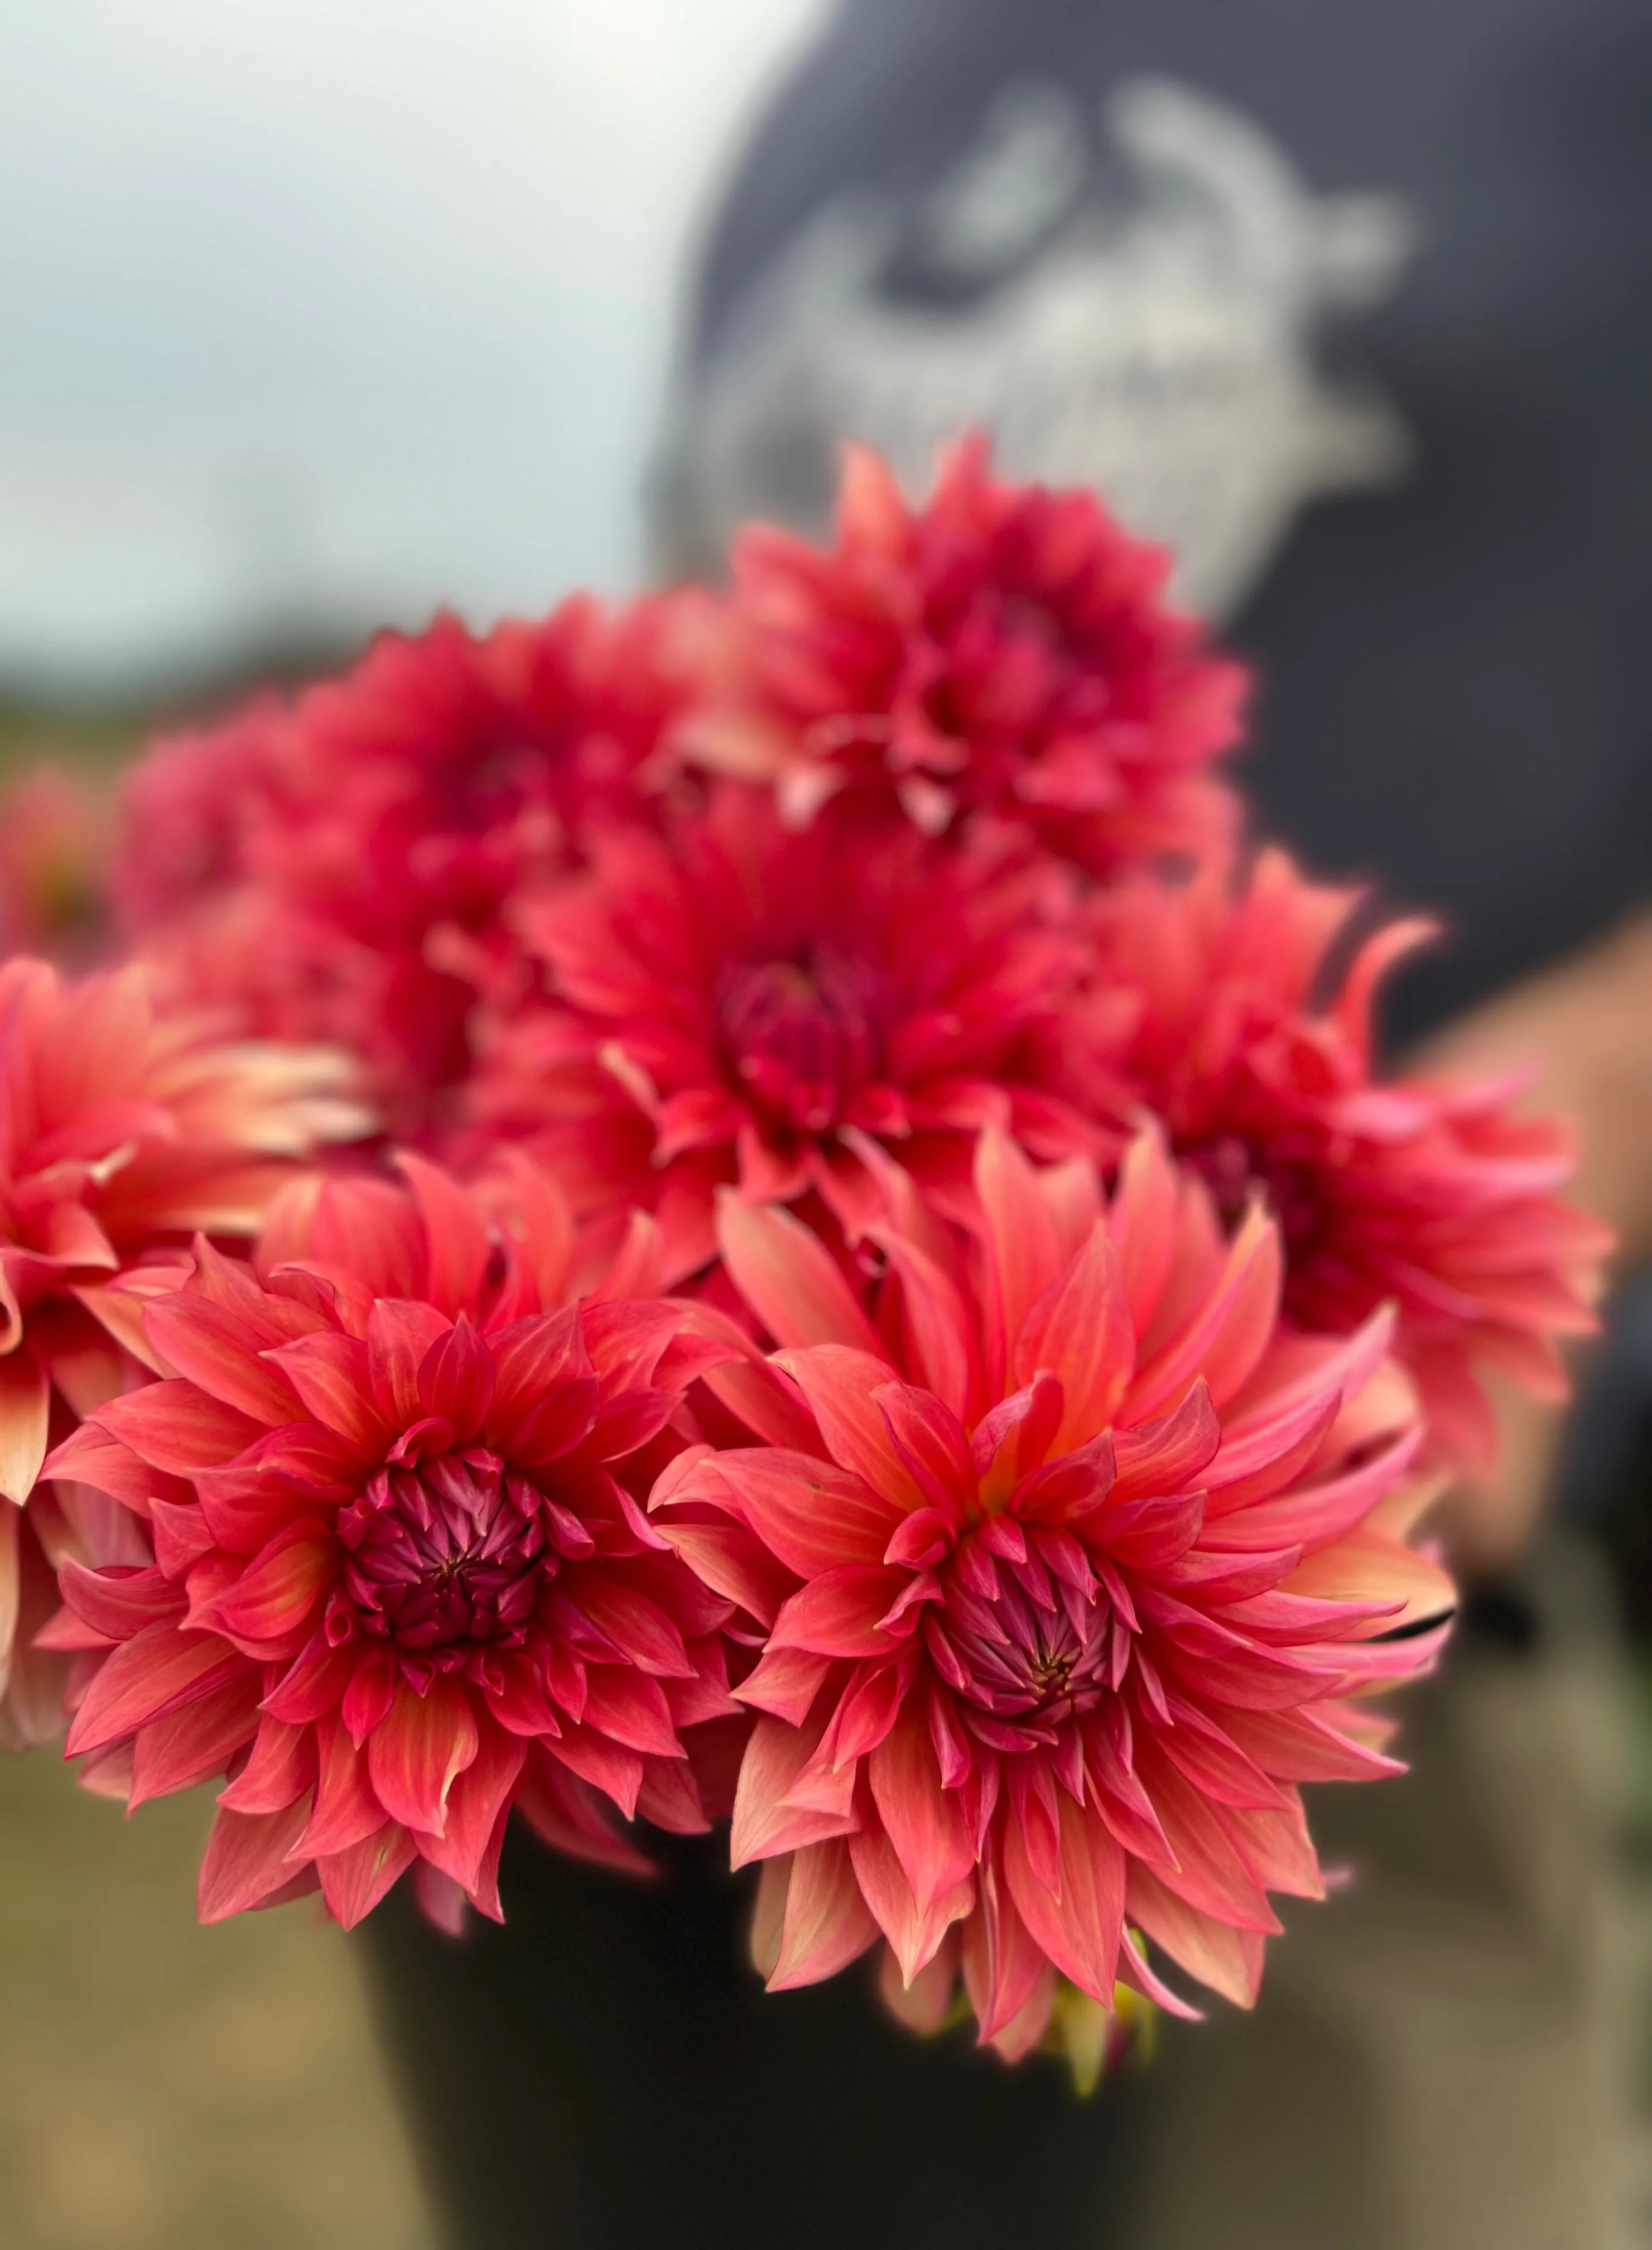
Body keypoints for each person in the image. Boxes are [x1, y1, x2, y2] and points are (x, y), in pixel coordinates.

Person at [652, 4, 1652, 2241]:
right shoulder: (830, 98)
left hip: (1336, 1661)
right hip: (673, 1703)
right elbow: (685, 693)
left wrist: (1574, 1109)